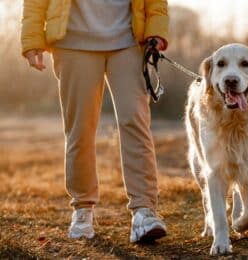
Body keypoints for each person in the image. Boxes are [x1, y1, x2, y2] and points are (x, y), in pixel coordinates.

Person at [21, 0, 169, 243]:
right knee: (79, 129)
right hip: (72, 42)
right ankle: (82, 209)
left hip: (130, 39)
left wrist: (157, 31)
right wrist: (32, 39)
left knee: (135, 122)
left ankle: (144, 211)